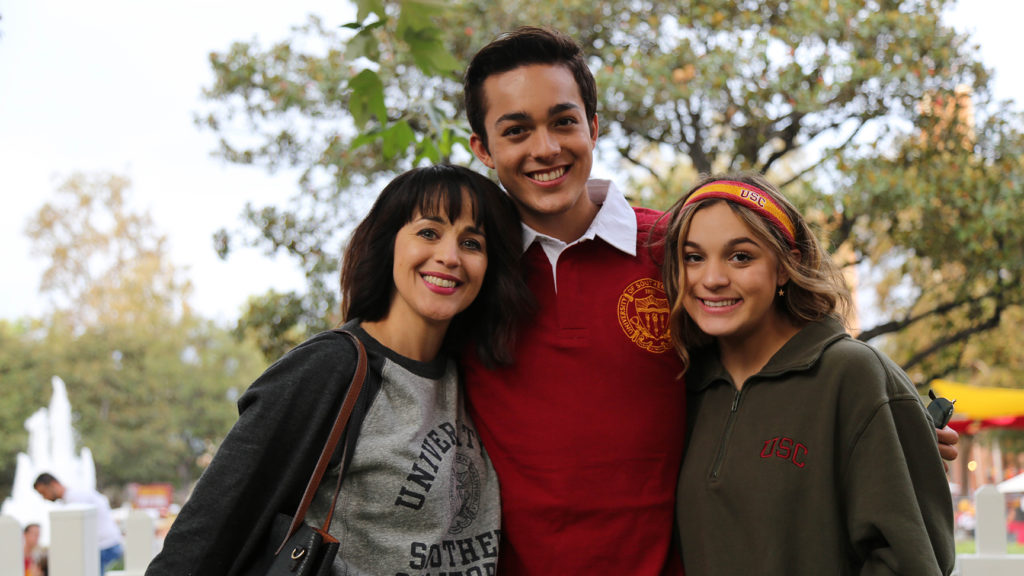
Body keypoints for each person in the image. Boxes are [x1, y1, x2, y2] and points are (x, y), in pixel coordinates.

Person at [459, 26, 959, 574]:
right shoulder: (467, 272)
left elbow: (792, 354)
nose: (546, 147)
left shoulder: (677, 250)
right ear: (482, 147)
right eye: (516, 130)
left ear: (594, 127)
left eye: (564, 121)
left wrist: (890, 425)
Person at [144, 164, 532, 575]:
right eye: (429, 232)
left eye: (472, 243)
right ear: (389, 244)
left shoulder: (473, 376)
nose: (449, 257)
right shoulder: (331, 369)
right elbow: (204, 535)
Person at [661, 173, 955, 574]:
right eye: (694, 257)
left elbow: (909, 560)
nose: (711, 279)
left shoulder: (852, 375)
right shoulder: (680, 386)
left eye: (741, 256)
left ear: (786, 266)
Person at [33, 473, 124, 575]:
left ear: (53, 484)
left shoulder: (74, 500)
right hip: (106, 544)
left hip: (103, 546)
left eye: (43, 493)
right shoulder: (73, 496)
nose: (44, 498)